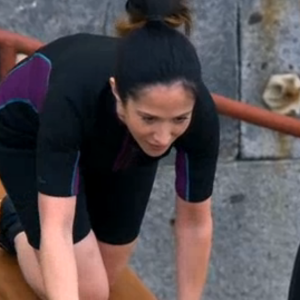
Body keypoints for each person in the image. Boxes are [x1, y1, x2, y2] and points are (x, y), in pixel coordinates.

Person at [0, 0, 220, 299]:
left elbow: (195, 223)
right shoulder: (70, 100)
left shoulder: (199, 115)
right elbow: (57, 228)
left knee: (108, 276)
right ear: (117, 91)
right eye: (150, 118)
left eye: (179, 119)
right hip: (26, 133)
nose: (163, 137)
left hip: (122, 139)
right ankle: (15, 225)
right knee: (90, 292)